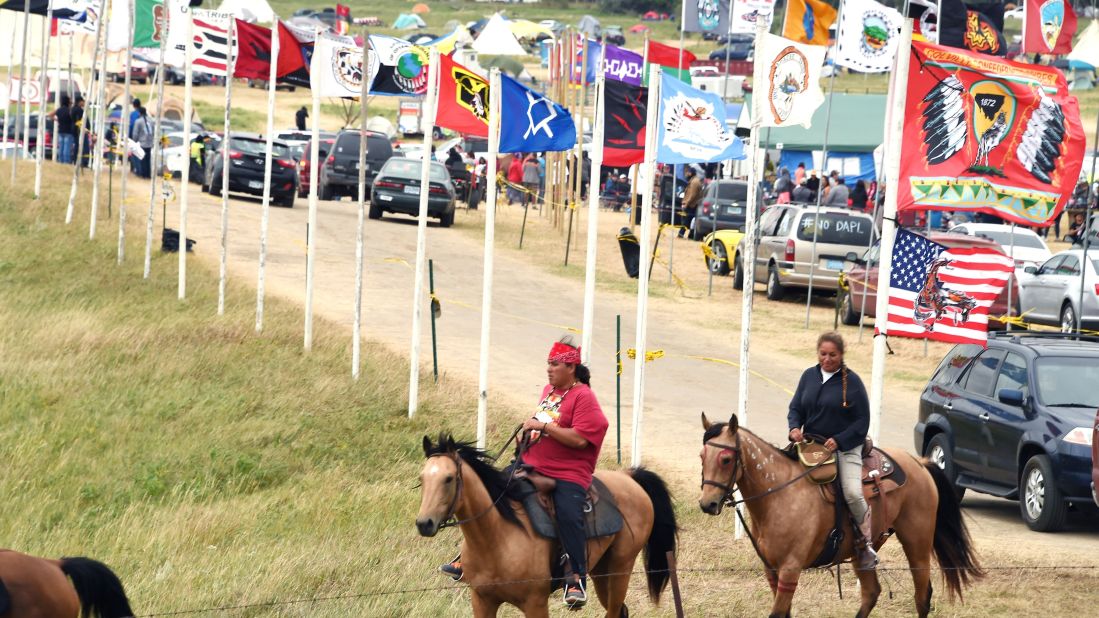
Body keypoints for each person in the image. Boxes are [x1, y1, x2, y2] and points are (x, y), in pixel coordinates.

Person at [442, 336, 608, 609]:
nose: (549, 369)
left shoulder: (584, 397)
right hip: (532, 463)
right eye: (548, 364)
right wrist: (529, 436)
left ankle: (575, 577)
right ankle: (466, 556)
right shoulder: (549, 391)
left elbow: (580, 439)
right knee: (491, 495)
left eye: (555, 364)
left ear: (571, 368)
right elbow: (544, 422)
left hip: (567, 473)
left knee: (568, 513)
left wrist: (544, 429)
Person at [788, 332, 875, 571]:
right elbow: (795, 407)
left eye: (832, 355)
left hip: (845, 448)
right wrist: (794, 427)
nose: (827, 359)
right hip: (811, 446)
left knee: (852, 493)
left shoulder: (853, 383)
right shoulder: (809, 376)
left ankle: (865, 542)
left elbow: (862, 422)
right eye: (823, 354)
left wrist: (840, 440)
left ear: (842, 355)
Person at [50, 94, 75, 164]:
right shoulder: (69, 110)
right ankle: (66, 160)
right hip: (68, 131)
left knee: (61, 147)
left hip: (61, 130)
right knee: (67, 147)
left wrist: (56, 120)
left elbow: (50, 115)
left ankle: (60, 159)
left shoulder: (59, 110)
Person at [679, 164, 703, 238]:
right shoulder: (694, 180)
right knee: (690, 220)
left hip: (692, 205)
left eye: (688, 173)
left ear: (691, 173)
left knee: (686, 220)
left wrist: (686, 203)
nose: (687, 174)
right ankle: (690, 235)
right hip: (693, 204)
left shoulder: (694, 182)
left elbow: (692, 195)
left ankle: (681, 233)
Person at [131, 106, 154, 178]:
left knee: (142, 159)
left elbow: (135, 133)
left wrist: (134, 141)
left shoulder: (138, 121)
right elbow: (153, 132)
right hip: (149, 143)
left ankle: (143, 174)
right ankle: (148, 174)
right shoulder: (151, 121)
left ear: (139, 113)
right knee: (148, 159)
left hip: (142, 143)